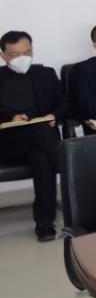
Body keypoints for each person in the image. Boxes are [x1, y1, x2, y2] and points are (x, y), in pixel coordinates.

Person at [0, 31, 64, 241]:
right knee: (41, 131)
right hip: (8, 142)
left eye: (27, 52)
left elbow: (64, 102)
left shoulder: (45, 74)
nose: (23, 57)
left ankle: (45, 223)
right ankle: (67, 164)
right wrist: (10, 118)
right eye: (15, 54)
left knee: (41, 159)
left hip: (40, 144)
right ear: (3, 55)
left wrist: (54, 115)